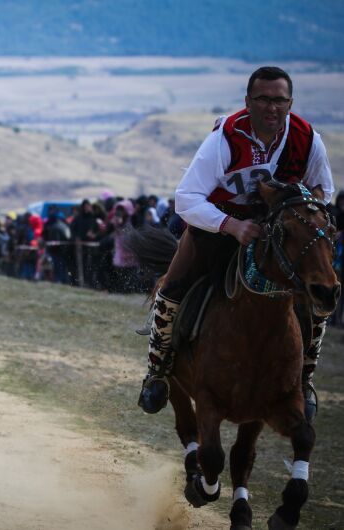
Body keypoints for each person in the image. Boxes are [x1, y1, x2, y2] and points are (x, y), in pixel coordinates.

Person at [138, 67, 334, 423]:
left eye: (279, 100)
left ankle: (304, 378)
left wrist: (298, 211)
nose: (271, 108)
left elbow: (324, 191)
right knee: (172, 289)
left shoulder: (307, 139)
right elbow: (186, 198)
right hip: (214, 225)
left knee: (314, 297)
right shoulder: (225, 138)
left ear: (290, 103)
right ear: (248, 102)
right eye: (262, 99)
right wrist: (231, 225)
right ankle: (157, 369)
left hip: (274, 235)